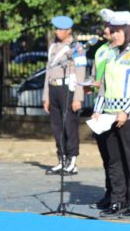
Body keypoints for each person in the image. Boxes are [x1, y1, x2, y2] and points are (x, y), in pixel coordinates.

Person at [92, 10, 130, 218]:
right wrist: (98, 110)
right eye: (112, 31)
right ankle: (118, 200)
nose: (113, 35)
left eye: (117, 31)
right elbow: (103, 87)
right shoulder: (110, 54)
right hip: (109, 116)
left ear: (128, 31)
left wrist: (125, 111)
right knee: (114, 162)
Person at [43, 15, 87, 176]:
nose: (57, 31)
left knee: (70, 126)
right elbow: (48, 72)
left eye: (60, 29)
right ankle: (61, 159)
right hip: (54, 88)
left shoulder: (77, 47)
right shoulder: (53, 47)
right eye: (56, 29)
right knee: (57, 127)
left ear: (69, 30)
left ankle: (72, 161)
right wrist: (46, 96)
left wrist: (78, 98)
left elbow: (81, 73)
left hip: (68, 89)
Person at [88, 8, 116, 210]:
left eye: (109, 26)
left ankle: (121, 195)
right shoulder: (101, 51)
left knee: (117, 157)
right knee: (107, 157)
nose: (106, 30)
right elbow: (96, 77)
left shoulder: (125, 51)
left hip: (118, 110)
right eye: (105, 26)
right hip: (101, 109)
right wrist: (91, 84)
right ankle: (110, 192)